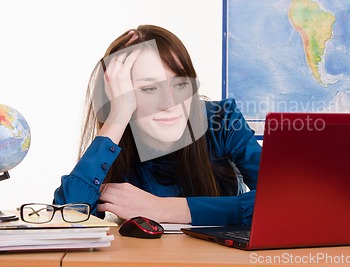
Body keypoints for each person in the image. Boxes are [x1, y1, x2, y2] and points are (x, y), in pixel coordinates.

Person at [53, 25, 261, 226]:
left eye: (180, 84)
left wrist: (163, 208)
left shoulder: (221, 119)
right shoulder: (116, 140)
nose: (170, 103)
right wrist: (118, 115)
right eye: (149, 89)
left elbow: (284, 201)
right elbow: (67, 217)